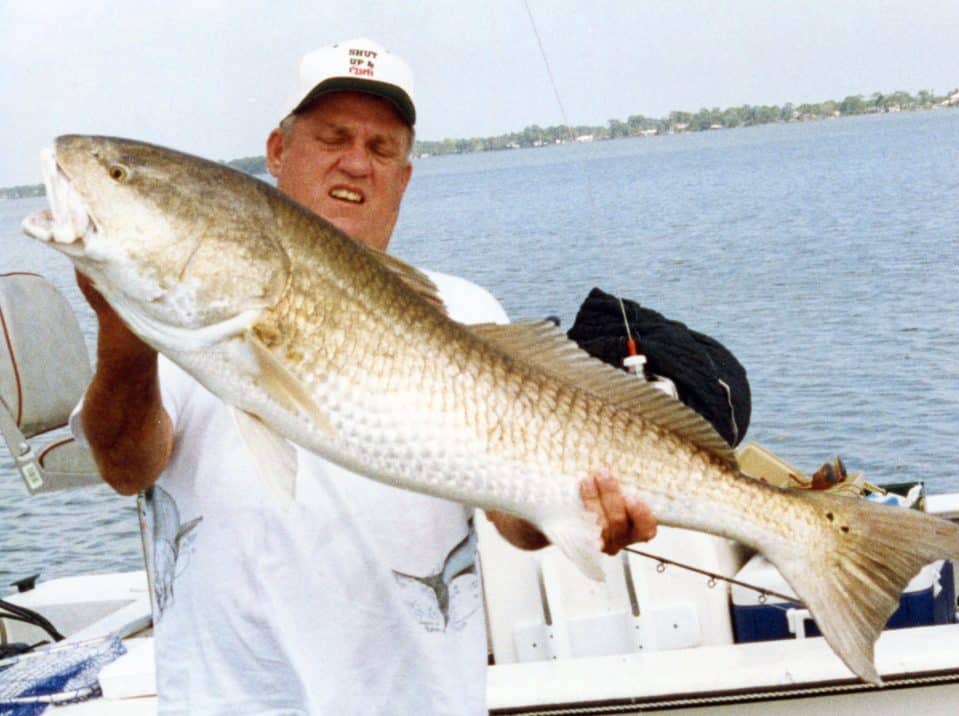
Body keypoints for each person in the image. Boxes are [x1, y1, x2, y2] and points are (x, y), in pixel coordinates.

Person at [73, 38, 656, 715]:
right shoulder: (192, 301)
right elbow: (125, 466)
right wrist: (123, 334)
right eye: (333, 138)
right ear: (276, 152)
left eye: (382, 149)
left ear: (403, 178)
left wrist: (581, 515)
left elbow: (514, 518)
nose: (355, 162)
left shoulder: (465, 312)